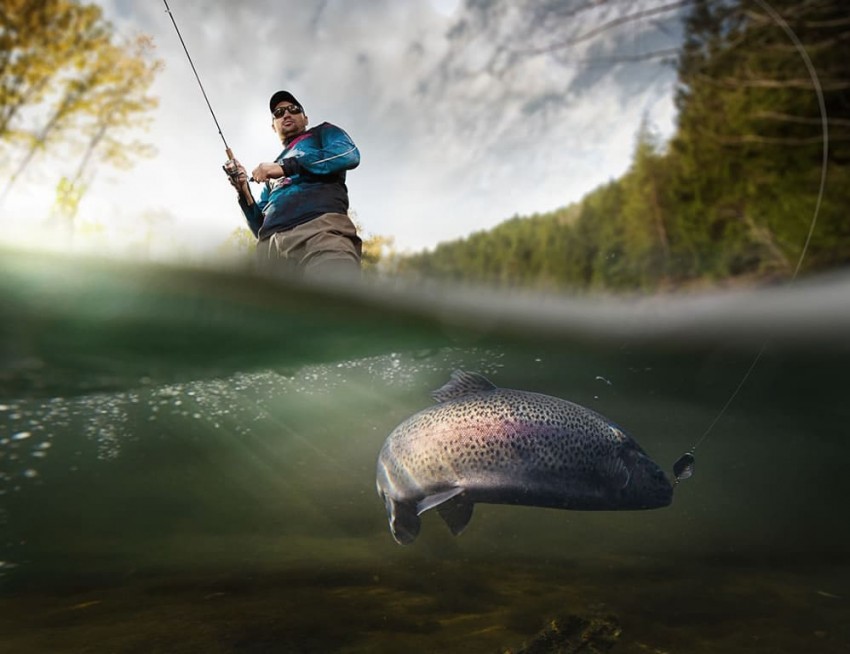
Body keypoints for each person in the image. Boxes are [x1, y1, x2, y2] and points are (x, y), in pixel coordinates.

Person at [224, 90, 362, 278]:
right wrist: (243, 190)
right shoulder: (273, 173)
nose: (286, 114)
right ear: (273, 126)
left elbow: (348, 154)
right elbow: (259, 226)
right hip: (269, 252)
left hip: (320, 232)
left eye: (293, 109)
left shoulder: (322, 132)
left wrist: (286, 166)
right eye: (278, 113)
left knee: (334, 300)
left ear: (305, 118)